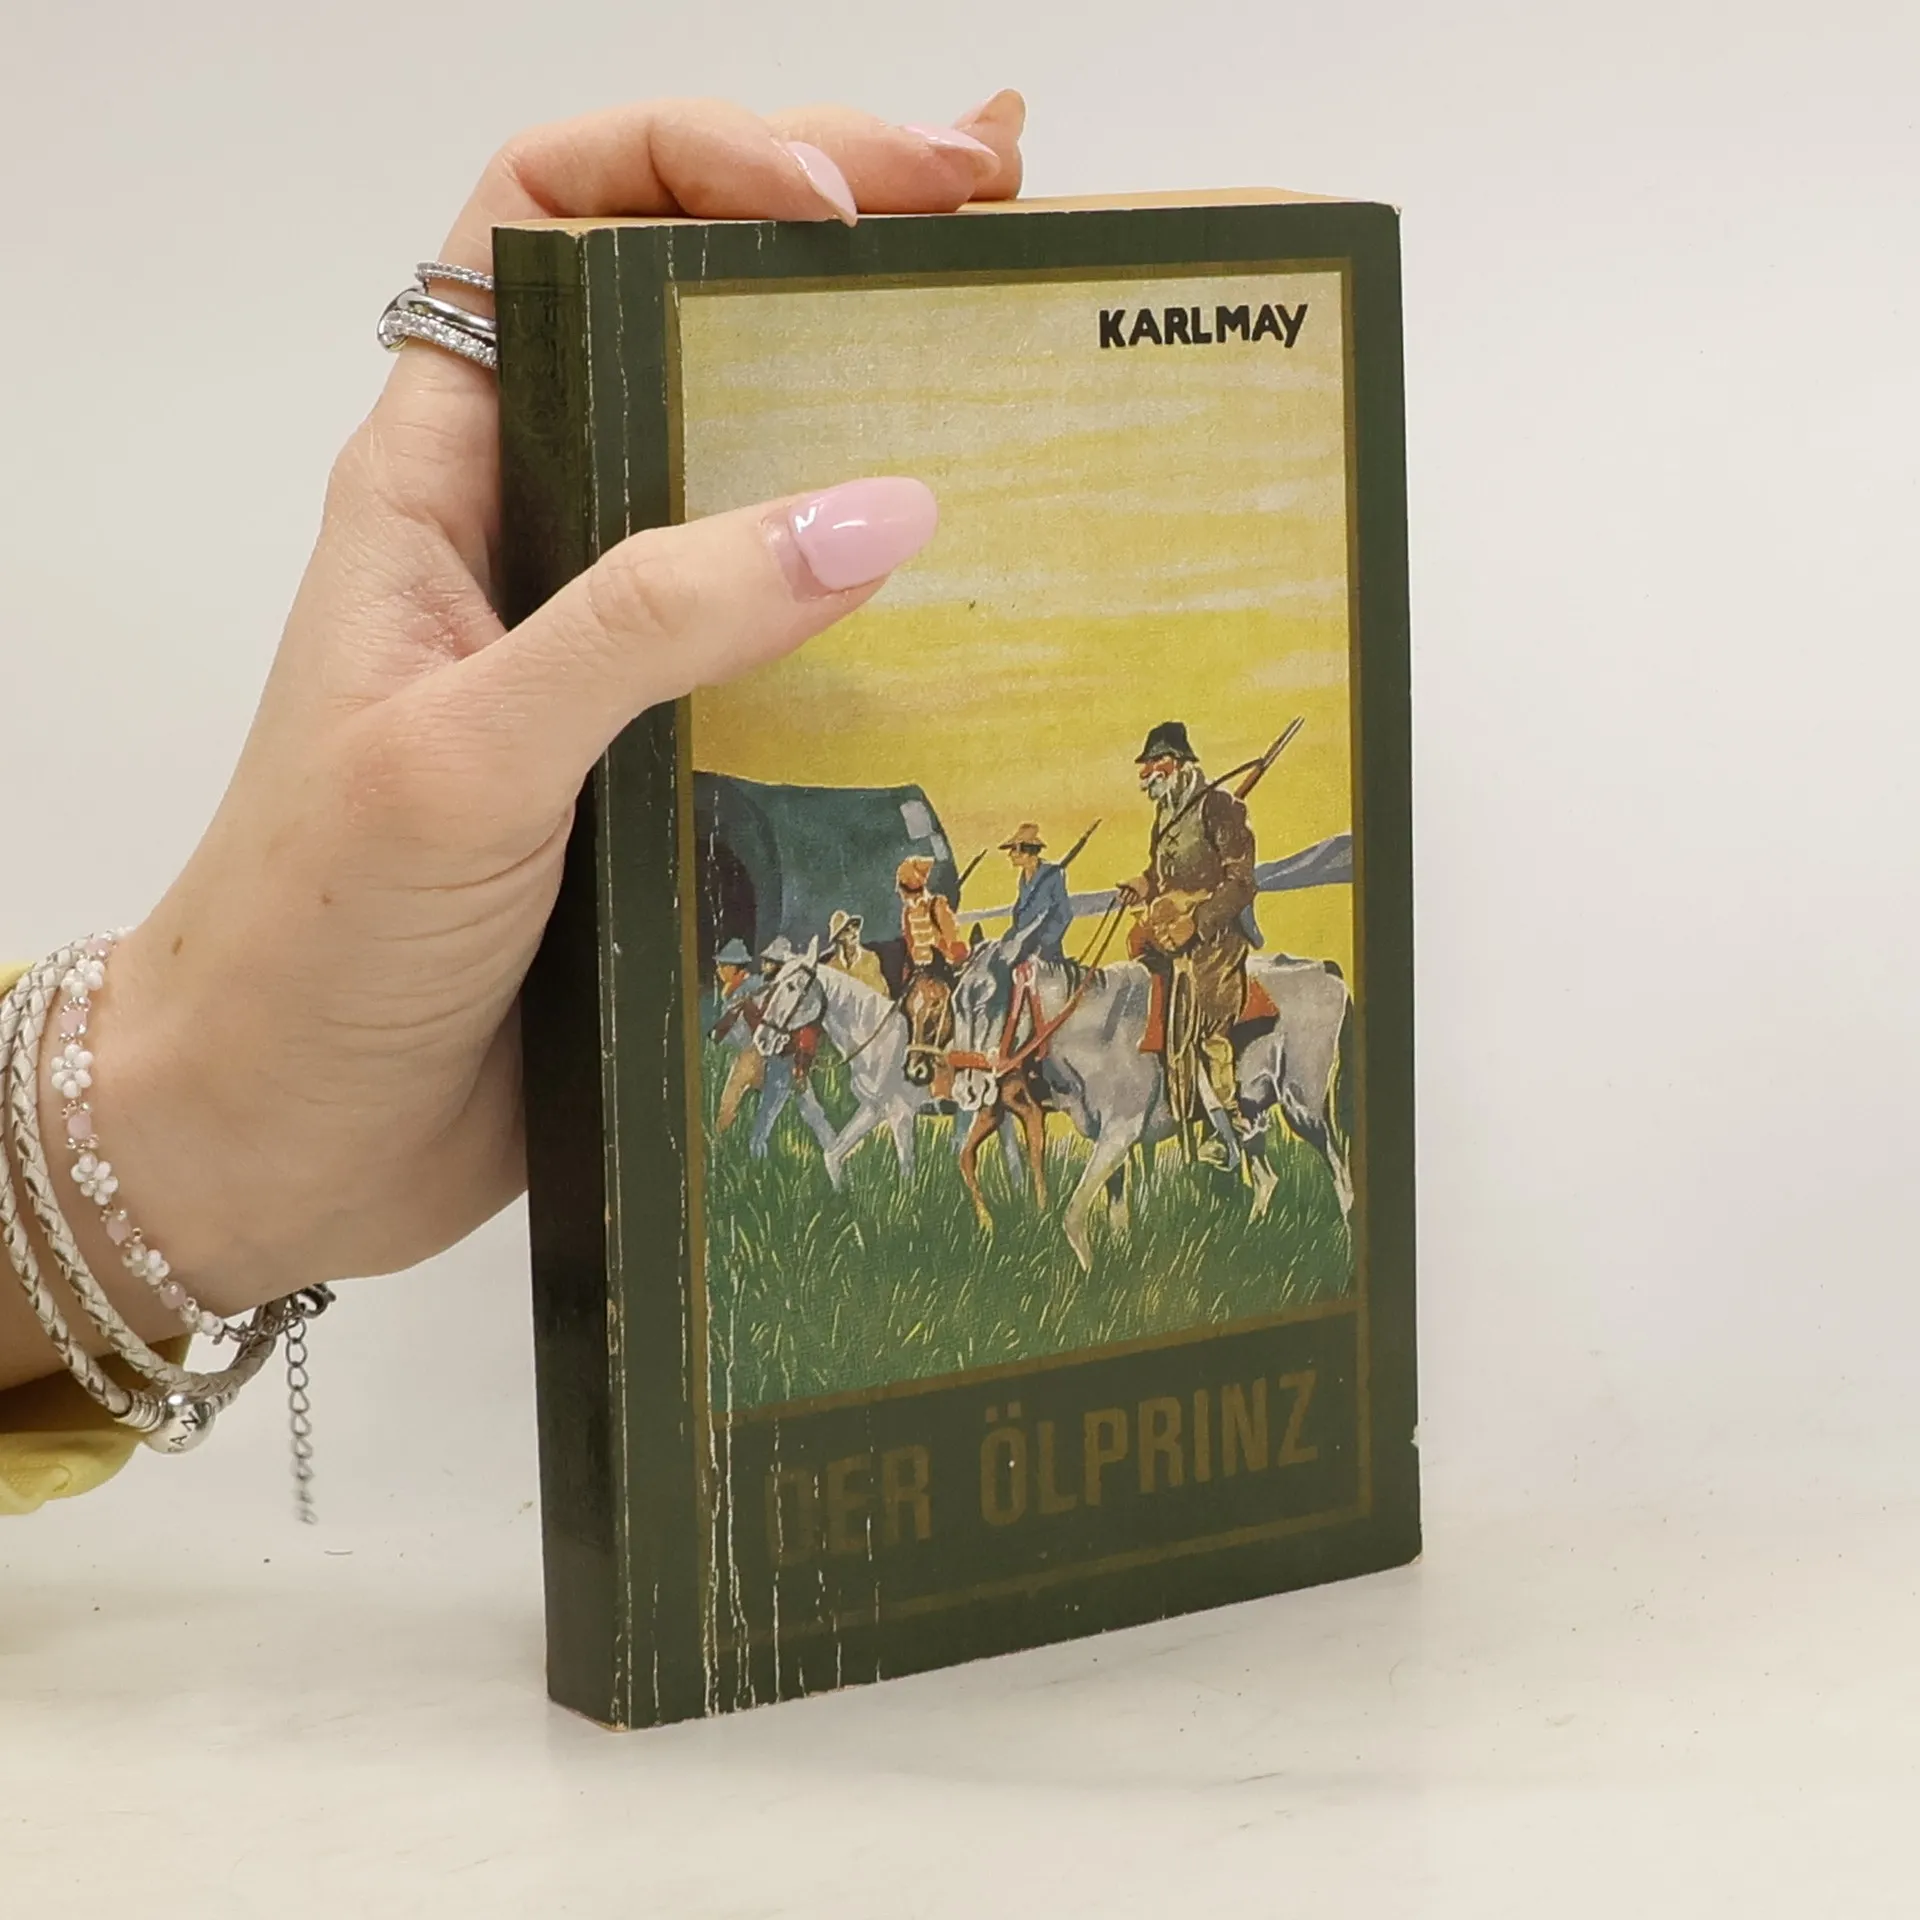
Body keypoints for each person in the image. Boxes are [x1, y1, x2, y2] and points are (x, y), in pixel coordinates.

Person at [0, 90, 1028, 1513]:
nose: (916, 885)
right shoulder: (857, 918)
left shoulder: (956, 908)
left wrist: (174, 1142)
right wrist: (185, 1125)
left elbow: (969, 946)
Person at [1116, 721, 1258, 1170]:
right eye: (1146, 765)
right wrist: (1143, 884)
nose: (1147, 774)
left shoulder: (1220, 807)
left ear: (1176, 764)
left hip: (1215, 937)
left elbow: (1241, 883)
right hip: (1169, 931)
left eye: (1155, 763)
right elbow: (1161, 873)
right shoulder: (1166, 814)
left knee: (1204, 1015)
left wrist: (1196, 924)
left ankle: (1229, 1124)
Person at [895, 855, 969, 1087]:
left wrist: (948, 956)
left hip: (944, 968)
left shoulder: (937, 905)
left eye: (904, 888)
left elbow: (955, 942)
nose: (902, 894)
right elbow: (910, 944)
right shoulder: (907, 913)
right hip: (921, 970)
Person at [1001, 823, 1074, 963]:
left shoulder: (1053, 874)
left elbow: (1063, 914)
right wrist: (1008, 941)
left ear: (1026, 851)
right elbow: (1021, 914)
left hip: (1043, 953)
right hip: (1019, 947)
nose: (1010, 855)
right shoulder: (1023, 878)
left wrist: (1043, 944)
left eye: (1014, 849)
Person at [825, 910, 889, 997]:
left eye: (854, 926)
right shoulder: (832, 967)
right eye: (847, 930)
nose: (853, 932)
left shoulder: (870, 959)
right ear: (839, 937)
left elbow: (881, 994)